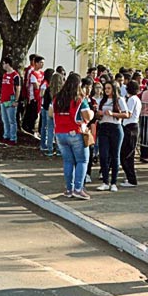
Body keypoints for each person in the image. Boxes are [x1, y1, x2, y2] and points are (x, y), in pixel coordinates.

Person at [53, 72, 94, 200]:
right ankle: (78, 189)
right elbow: (87, 116)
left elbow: (50, 113)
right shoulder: (79, 99)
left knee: (68, 161)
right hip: (75, 132)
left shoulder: (57, 98)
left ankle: (69, 189)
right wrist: (92, 113)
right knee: (82, 160)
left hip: (60, 132)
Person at [96, 80, 128, 191]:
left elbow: (126, 114)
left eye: (109, 88)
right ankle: (105, 181)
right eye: (105, 88)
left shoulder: (120, 100)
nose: (106, 91)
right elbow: (97, 115)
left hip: (115, 128)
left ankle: (114, 182)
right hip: (104, 128)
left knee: (115, 155)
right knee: (104, 155)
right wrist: (98, 114)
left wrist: (113, 114)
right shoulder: (102, 100)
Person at [120, 79, 141, 186]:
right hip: (132, 126)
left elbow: (128, 113)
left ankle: (131, 178)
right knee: (128, 154)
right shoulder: (135, 99)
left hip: (130, 127)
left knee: (125, 154)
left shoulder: (132, 99)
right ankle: (130, 178)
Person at [0, 57, 22, 146]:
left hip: (11, 100)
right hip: (3, 100)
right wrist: (1, 99)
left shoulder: (15, 75)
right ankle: (6, 136)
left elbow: (18, 88)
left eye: (4, 63)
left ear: (7, 64)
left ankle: (13, 138)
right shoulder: (4, 75)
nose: (3, 65)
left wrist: (16, 100)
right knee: (5, 120)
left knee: (12, 120)